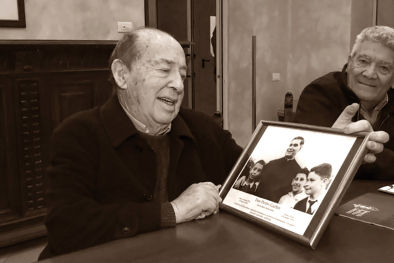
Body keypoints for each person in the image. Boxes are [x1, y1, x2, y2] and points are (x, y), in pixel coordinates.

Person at [39, 27, 388, 260]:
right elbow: (67, 226)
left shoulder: (201, 127)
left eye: (183, 74)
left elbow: (260, 186)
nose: (178, 84)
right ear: (121, 75)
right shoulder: (78, 134)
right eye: (164, 70)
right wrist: (173, 211)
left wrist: (335, 149)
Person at [294, 26, 394, 180]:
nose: (370, 74)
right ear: (350, 62)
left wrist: (355, 150)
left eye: (384, 68)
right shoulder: (319, 93)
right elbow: (311, 161)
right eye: (363, 61)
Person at [254, 137, 304, 203]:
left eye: (295, 145)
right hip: (256, 201)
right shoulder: (272, 163)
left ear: (300, 148)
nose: (291, 147)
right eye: (290, 145)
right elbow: (256, 178)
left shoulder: (298, 170)